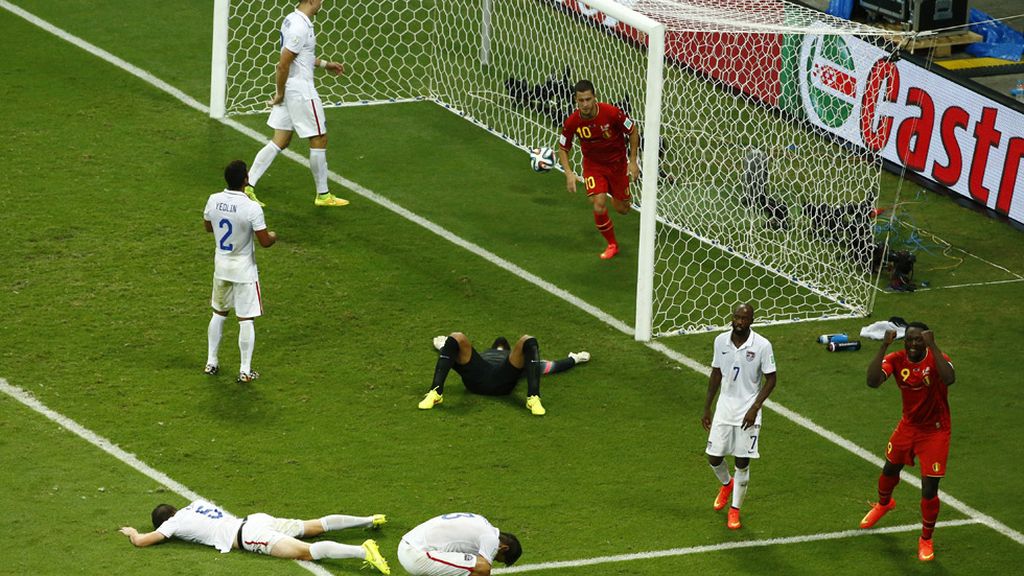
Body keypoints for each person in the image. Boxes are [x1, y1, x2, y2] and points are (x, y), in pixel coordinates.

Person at [860, 322, 955, 562]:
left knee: (929, 488)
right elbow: (872, 381)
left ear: (926, 341)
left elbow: (950, 378)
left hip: (935, 431)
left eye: (918, 340)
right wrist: (883, 346)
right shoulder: (897, 358)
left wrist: (933, 345)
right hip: (908, 426)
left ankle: (926, 539)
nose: (913, 344)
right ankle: (884, 504)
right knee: (889, 469)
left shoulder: (937, 358)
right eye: (909, 340)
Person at [244, 0, 349, 208]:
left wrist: (325, 64)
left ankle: (248, 186)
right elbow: (283, 64)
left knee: (280, 140)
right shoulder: (301, 26)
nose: (323, 3)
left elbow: (301, 55)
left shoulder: (292, 19)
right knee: (319, 137)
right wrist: (280, 94)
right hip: (299, 90)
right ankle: (323, 194)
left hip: (291, 88)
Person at [118, 499, 390, 574]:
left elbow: (143, 541)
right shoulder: (195, 504)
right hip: (256, 519)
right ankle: (370, 519)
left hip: (247, 536)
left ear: (164, 521)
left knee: (304, 551)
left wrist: (132, 532)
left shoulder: (173, 525)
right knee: (314, 525)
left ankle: (363, 551)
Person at [701, 303, 777, 530]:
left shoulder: (762, 345)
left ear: (751, 321)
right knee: (713, 457)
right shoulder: (720, 341)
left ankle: (734, 511)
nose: (740, 322)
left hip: (748, 411)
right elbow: (716, 373)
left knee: (742, 462)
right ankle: (727, 484)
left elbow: (771, 379)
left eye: (744, 318)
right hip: (725, 408)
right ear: (732, 318)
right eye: (737, 317)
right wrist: (707, 407)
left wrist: (755, 408)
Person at [203, 160, 277, 383]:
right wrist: (274, 236)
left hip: (221, 267)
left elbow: (208, 227)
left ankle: (211, 362)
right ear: (245, 180)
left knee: (219, 313)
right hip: (244, 271)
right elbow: (264, 242)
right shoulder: (251, 207)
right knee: (246, 319)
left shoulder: (214, 199)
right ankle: (245, 370)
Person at [557, 79, 640, 260]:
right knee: (599, 203)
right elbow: (563, 147)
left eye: (588, 99)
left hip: (617, 165)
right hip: (594, 166)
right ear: (575, 100)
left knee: (622, 209)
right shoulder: (572, 122)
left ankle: (620, 195)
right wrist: (569, 173)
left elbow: (633, 131)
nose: (585, 104)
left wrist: (633, 161)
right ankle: (612, 244)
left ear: (595, 98)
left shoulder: (611, 113)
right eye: (581, 100)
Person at [419, 333, 590, 416]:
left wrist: (573, 359)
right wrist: (445, 344)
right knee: (456, 337)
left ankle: (533, 398)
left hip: (497, 379)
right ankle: (435, 392)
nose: (500, 344)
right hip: (484, 377)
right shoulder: (485, 357)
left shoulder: (518, 363)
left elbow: (548, 366)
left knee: (528, 339)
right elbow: (450, 357)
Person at [397, 513, 521, 576]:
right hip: (416, 554)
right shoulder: (492, 539)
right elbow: (484, 570)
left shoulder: (481, 522)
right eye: (498, 559)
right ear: (504, 548)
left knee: (466, 567)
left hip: (409, 546)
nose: (494, 559)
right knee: (482, 568)